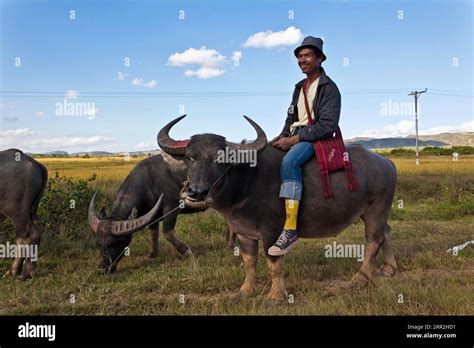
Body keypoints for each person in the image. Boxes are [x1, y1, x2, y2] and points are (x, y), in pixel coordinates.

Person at [268, 36, 342, 256]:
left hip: (314, 137)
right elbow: (291, 117)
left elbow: (328, 125)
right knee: (268, 156)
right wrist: (281, 135)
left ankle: (290, 229)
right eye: (300, 56)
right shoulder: (299, 88)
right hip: (295, 134)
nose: (302, 60)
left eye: (307, 55)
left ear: (319, 58)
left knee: (290, 161)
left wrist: (294, 140)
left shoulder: (329, 88)